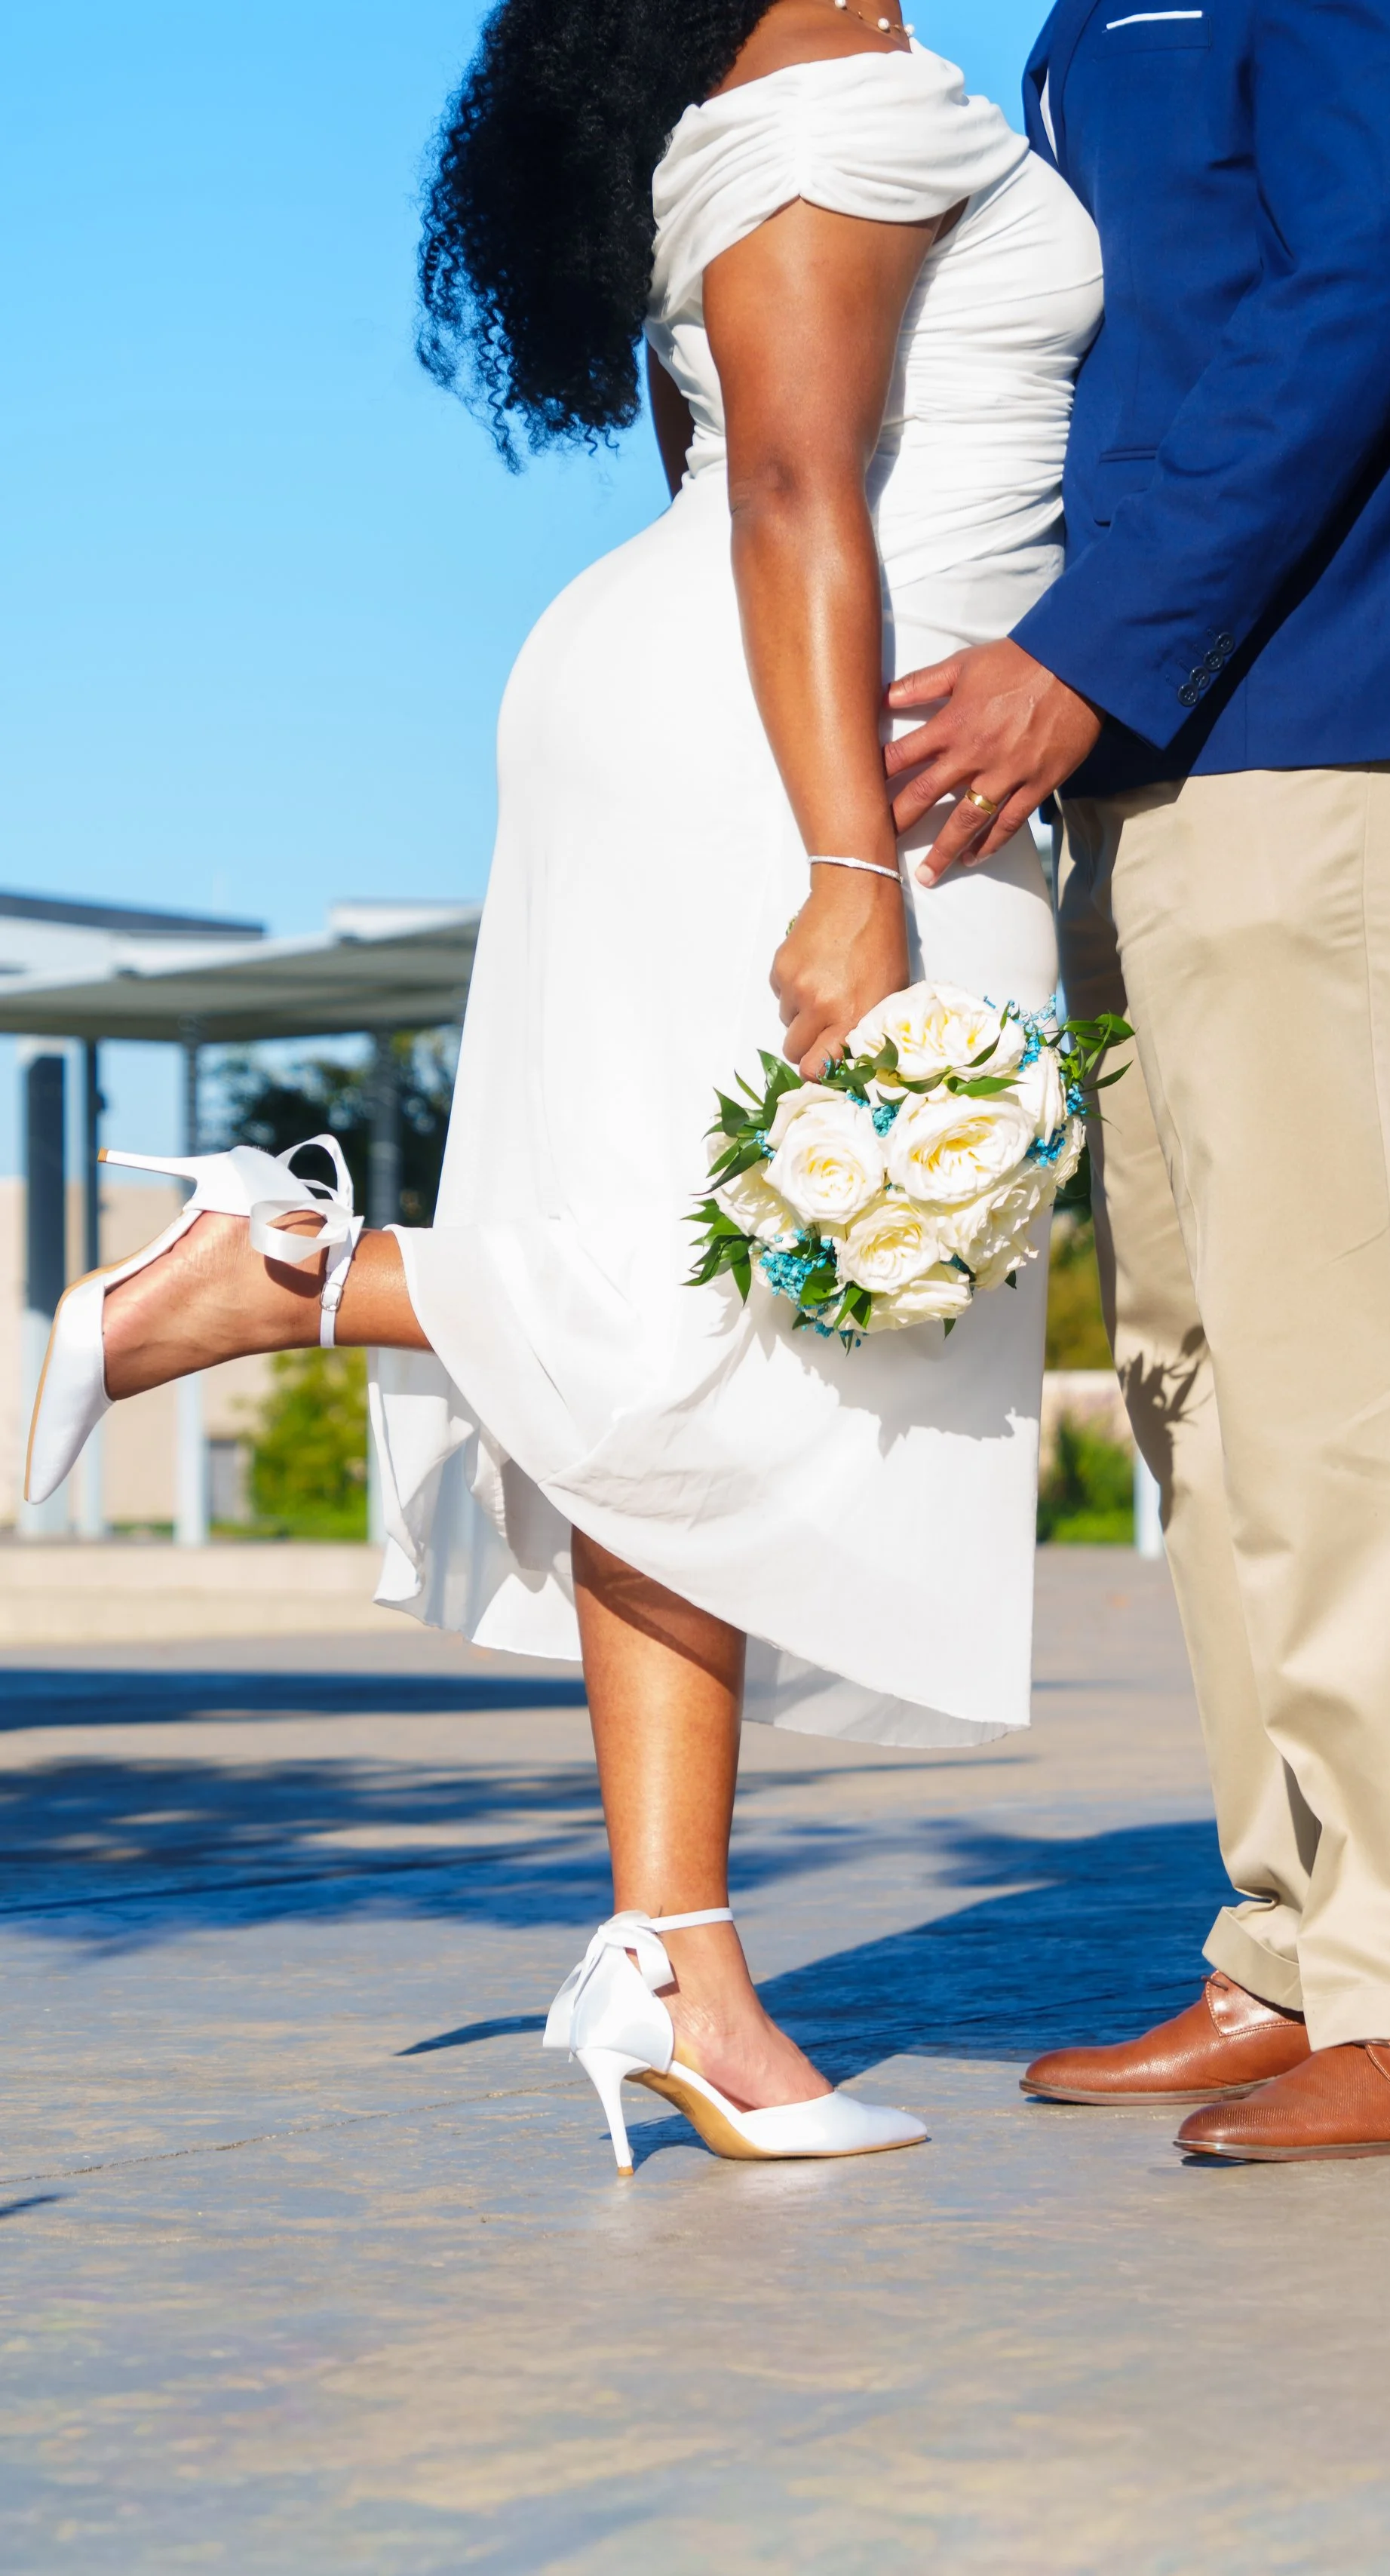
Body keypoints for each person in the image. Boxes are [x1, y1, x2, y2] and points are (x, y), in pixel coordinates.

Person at [25, 0, 1101, 2175]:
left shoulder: (786, 99)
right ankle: (281, 1278)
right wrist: (839, 868)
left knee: (706, 1355)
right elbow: (793, 487)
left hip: (749, 708)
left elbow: (722, 463)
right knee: (749, 1290)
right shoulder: (826, 108)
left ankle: (670, 1960)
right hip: (820, 757)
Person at [883, 0, 1390, 2162]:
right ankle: (1301, 1940)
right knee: (1209, 1373)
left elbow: (1362, 277)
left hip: (1350, 704)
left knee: (1358, 1346)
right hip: (1167, 742)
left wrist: (1085, 648)